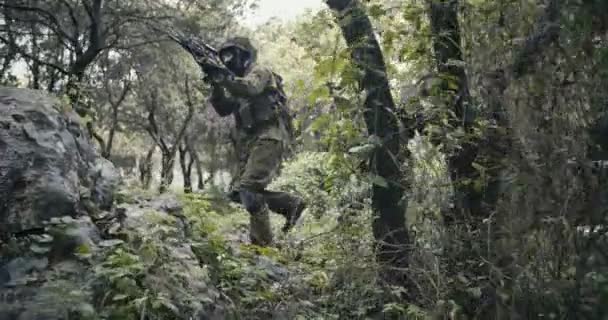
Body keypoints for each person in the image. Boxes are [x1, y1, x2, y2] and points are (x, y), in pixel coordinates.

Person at [206, 37, 306, 246]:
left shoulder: (260, 72)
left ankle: (263, 245)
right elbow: (224, 108)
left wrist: (223, 78)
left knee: (249, 190)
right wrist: (215, 84)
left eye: (231, 55)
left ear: (244, 55)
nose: (228, 61)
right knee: (238, 194)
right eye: (224, 57)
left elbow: (249, 88)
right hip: (252, 141)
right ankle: (291, 205)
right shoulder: (237, 82)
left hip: (270, 135)